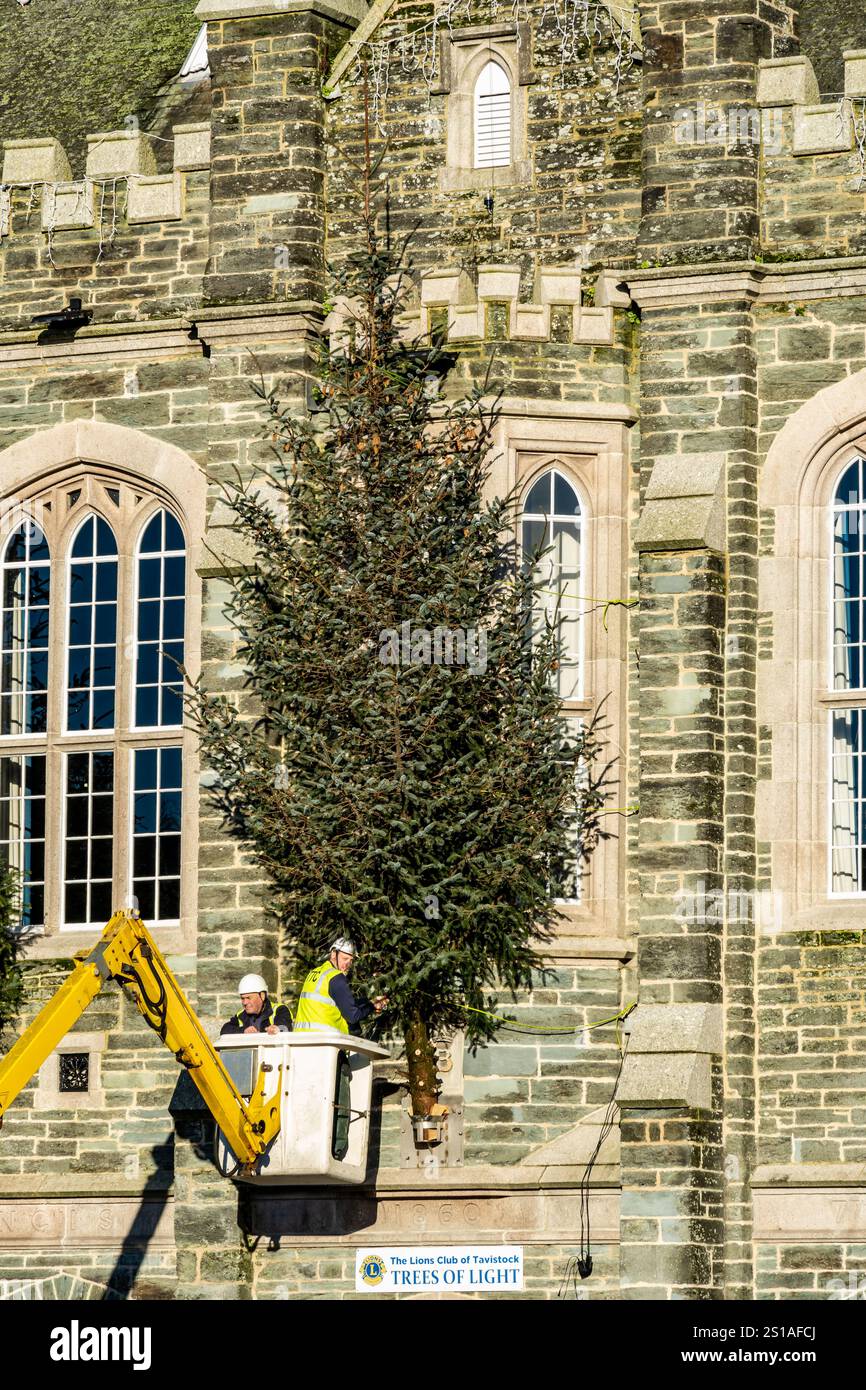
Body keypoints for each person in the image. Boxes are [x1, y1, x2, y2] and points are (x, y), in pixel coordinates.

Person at [294, 939, 387, 1035]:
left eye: (351, 960)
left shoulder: (315, 972)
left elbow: (341, 1003)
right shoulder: (336, 977)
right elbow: (353, 1016)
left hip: (301, 1038)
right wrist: (372, 1006)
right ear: (334, 954)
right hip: (325, 1040)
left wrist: (367, 1001)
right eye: (345, 958)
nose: (347, 964)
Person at [220, 973, 293, 1036]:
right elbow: (224, 1030)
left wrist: (276, 1029)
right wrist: (243, 1031)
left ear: (262, 996)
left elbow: (284, 1025)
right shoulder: (241, 1015)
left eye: (248, 998)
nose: (245, 1002)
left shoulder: (280, 1010)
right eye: (242, 998)